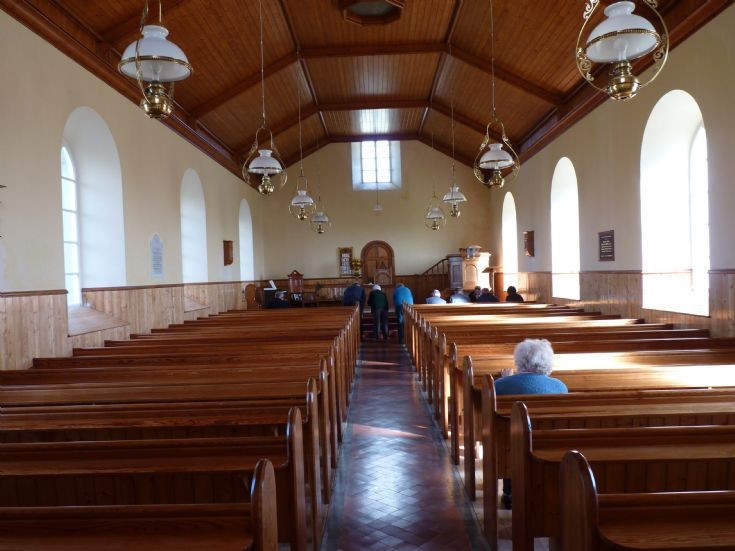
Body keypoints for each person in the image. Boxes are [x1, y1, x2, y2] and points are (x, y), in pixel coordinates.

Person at [494, 339, 567, 508]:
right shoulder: (560, 387)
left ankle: (510, 493)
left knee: (510, 435)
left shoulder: (501, 385)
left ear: (519, 360)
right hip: (549, 442)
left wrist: (507, 379)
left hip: (512, 445)